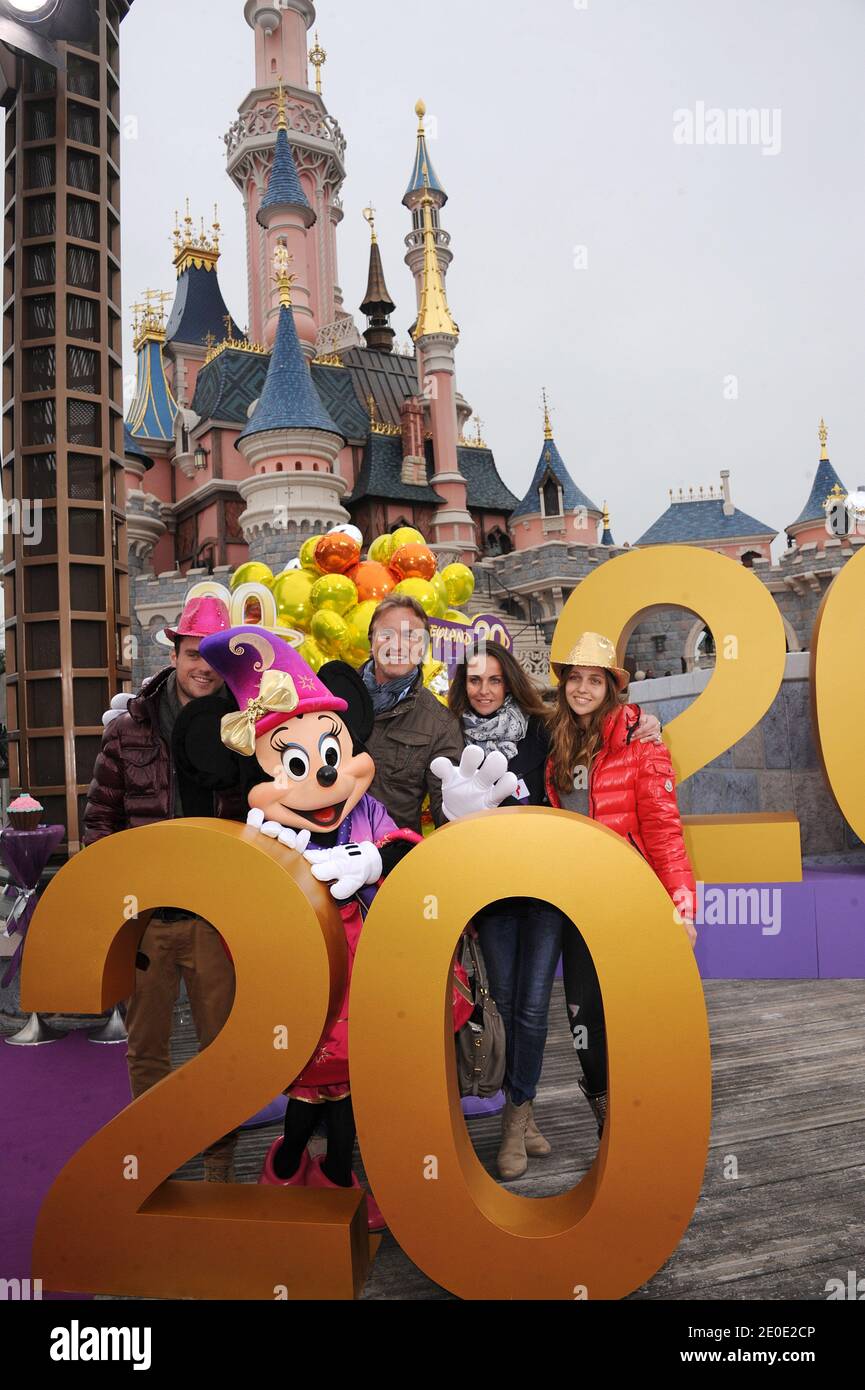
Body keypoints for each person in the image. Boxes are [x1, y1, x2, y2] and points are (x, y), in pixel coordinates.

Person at [198, 627, 512, 1229]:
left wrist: (385, 856)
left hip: (366, 985)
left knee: (348, 1088)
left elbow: (405, 850)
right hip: (307, 992)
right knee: (312, 1089)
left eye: (332, 757)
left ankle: (337, 1177)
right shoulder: (259, 839)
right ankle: (291, 1164)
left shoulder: (367, 814)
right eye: (295, 764)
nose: (323, 778)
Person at [446, 639, 664, 1181]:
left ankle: (516, 1118)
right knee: (506, 998)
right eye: (475, 680)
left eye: (495, 680)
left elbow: (601, 730)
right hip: (491, 895)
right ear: (462, 686)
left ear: (511, 682)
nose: (485, 690)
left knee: (534, 1007)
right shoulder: (450, 735)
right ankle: (525, 1110)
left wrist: (646, 721)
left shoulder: (544, 728)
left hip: (546, 890)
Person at [83, 596, 246, 1182]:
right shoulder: (131, 727)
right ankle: (153, 1157)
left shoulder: (243, 729)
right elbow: (99, 816)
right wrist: (120, 891)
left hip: (214, 917)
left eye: (213, 657)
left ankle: (219, 1165)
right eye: (193, 653)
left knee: (220, 1046)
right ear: (174, 653)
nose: (203, 666)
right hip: (148, 919)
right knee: (145, 1046)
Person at [545, 631, 696, 1137]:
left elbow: (665, 833)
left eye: (594, 680)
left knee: (635, 1011)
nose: (582, 689)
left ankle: (646, 1118)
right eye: (575, 679)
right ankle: (606, 1111)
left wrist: (682, 907)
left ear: (612, 689)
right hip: (576, 906)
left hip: (631, 904)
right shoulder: (557, 747)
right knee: (583, 1015)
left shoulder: (642, 746)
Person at [362, 595, 465, 833]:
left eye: (411, 636)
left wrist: (462, 809)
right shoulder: (336, 697)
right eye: (387, 634)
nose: (397, 645)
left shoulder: (441, 725)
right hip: (320, 855)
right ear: (371, 642)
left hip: (389, 861)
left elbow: (446, 817)